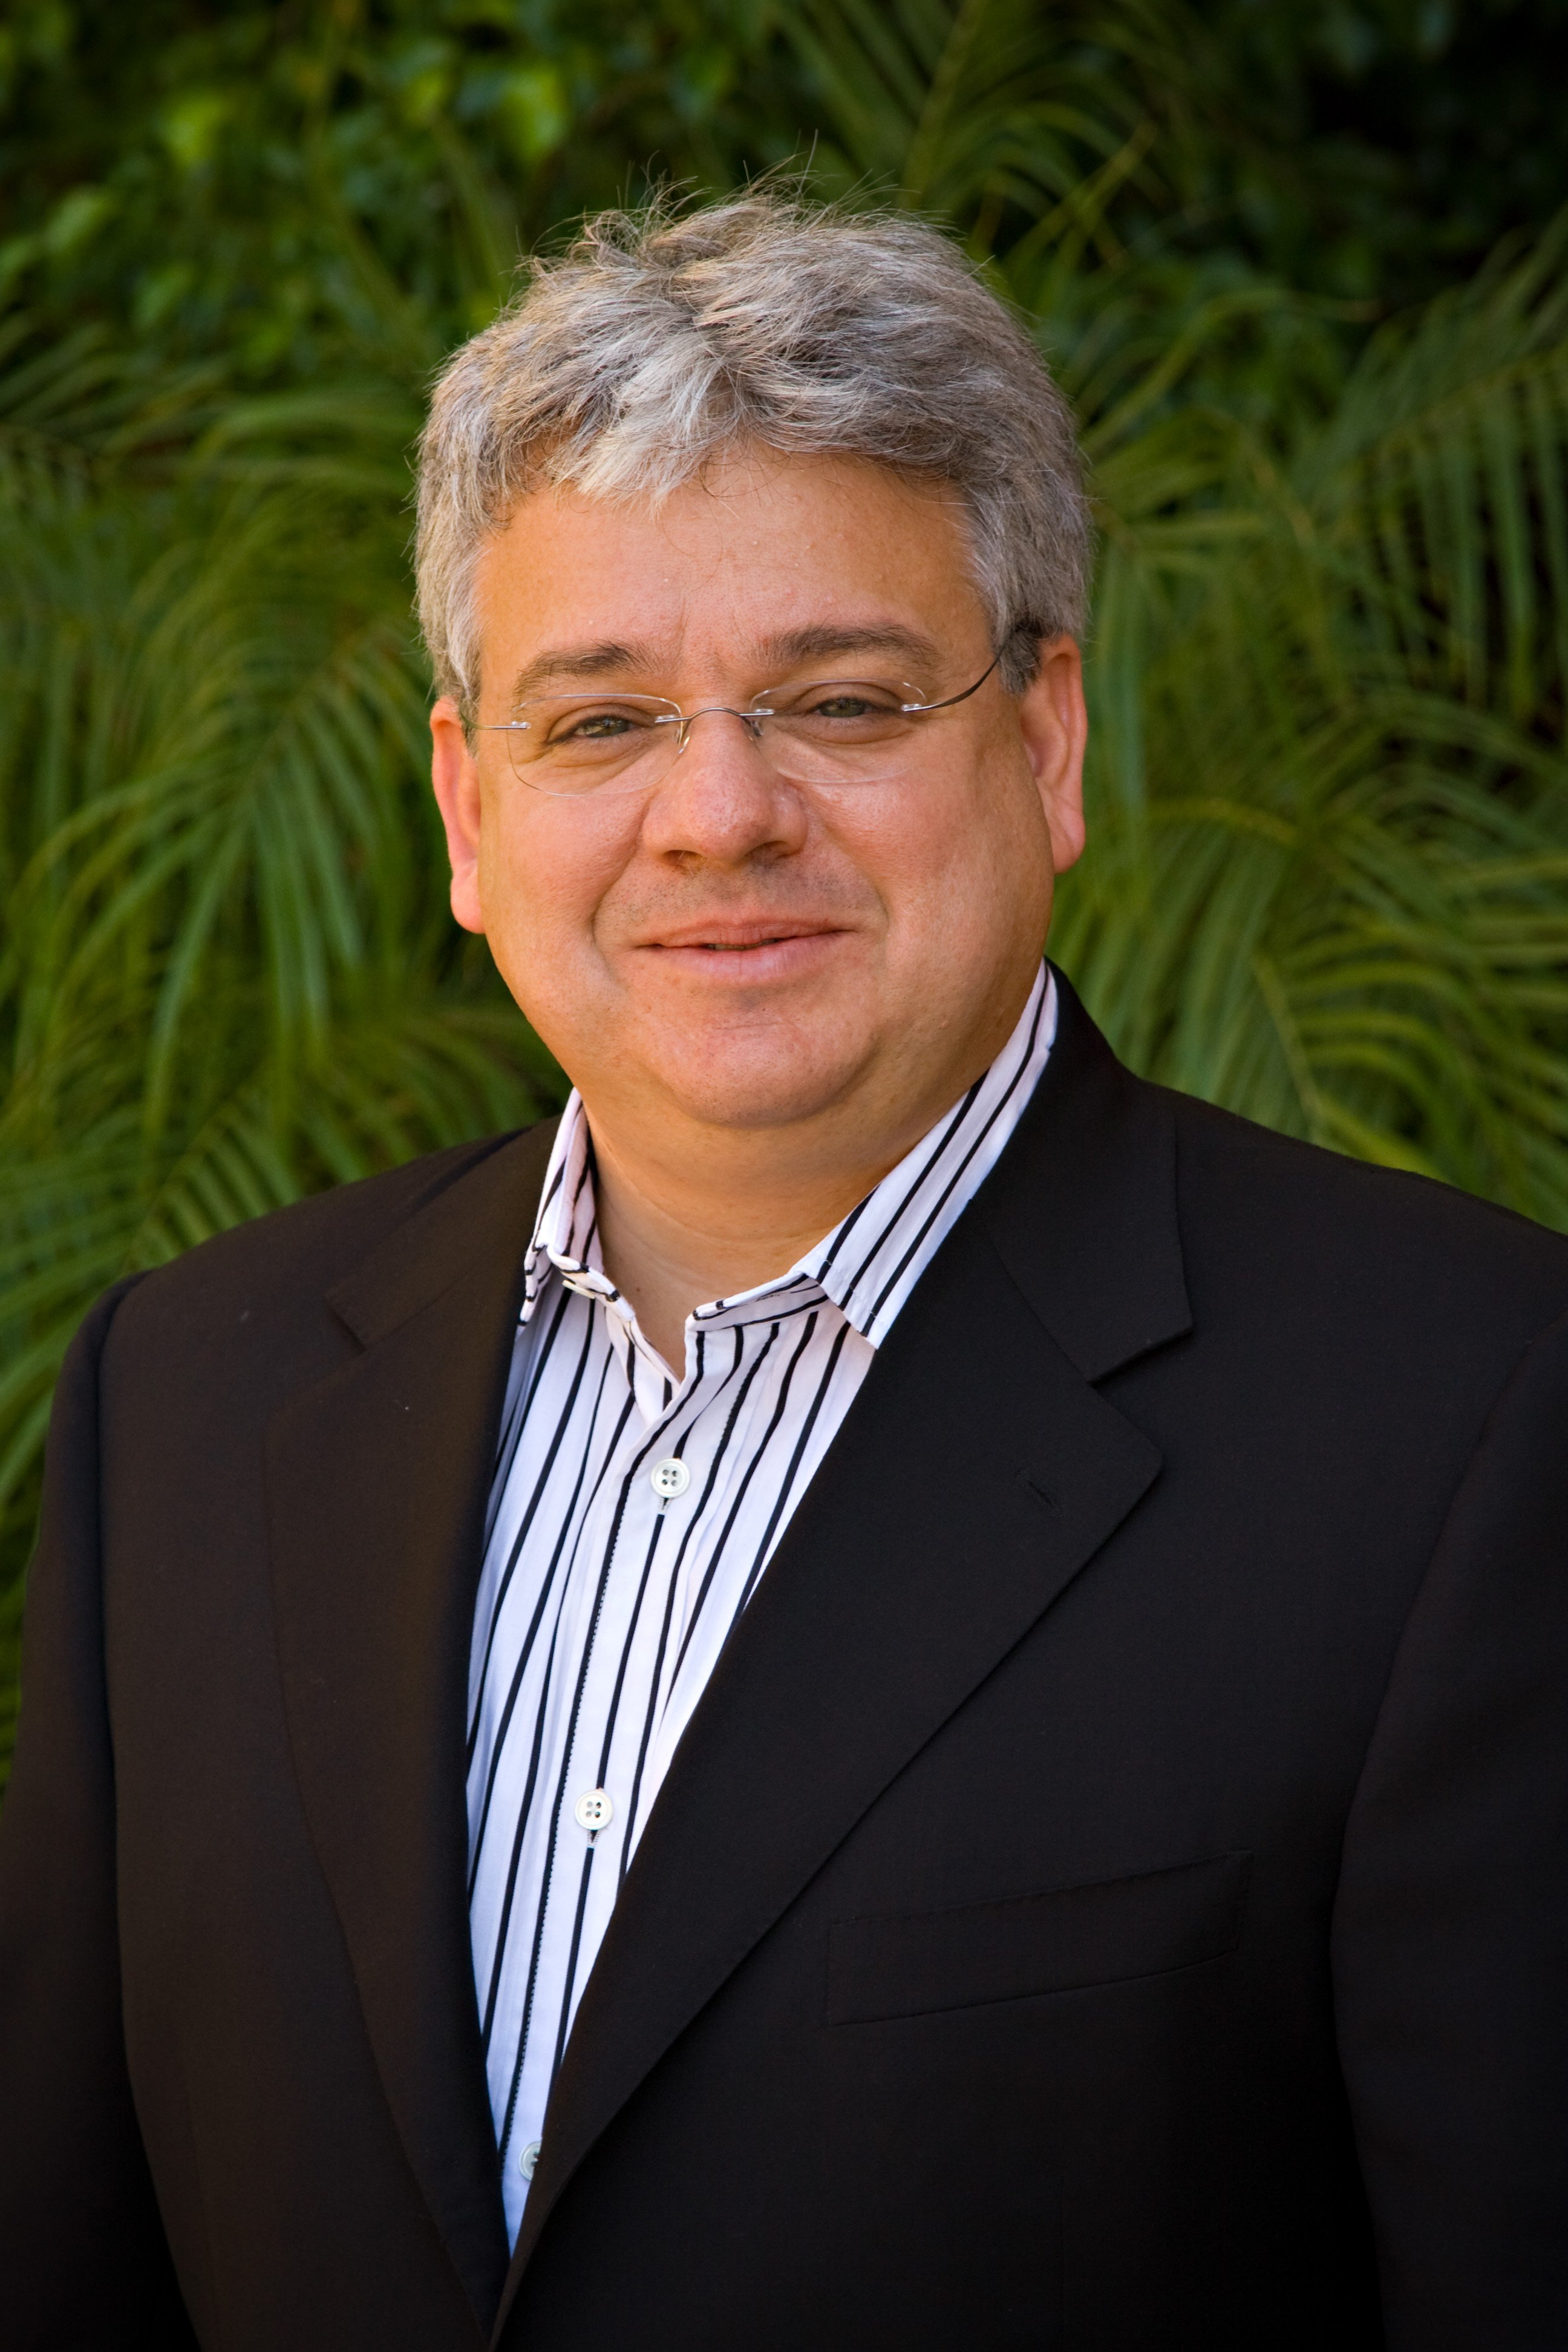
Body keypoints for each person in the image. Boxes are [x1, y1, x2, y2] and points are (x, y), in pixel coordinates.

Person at [1, 192, 1565, 2352]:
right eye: (601, 723)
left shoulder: (1469, 1422)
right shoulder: (186, 1399)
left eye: (839, 698)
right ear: (466, 810)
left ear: (1047, 743)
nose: (721, 814)